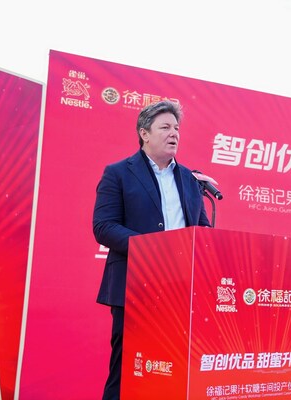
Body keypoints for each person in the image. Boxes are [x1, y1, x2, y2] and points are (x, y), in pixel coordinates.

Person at [92, 100, 211, 399]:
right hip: (135, 284)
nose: (174, 134)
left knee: (172, 368)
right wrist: (151, 250)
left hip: (180, 289)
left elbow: (202, 230)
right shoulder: (118, 173)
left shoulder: (190, 180)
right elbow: (104, 226)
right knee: (126, 371)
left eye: (177, 128)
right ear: (144, 133)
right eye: (165, 127)